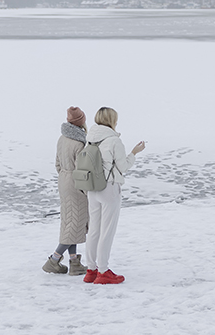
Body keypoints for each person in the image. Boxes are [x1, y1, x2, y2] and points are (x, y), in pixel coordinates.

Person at [83, 106, 146, 285]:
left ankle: (91, 270)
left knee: (94, 230)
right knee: (107, 231)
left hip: (92, 188)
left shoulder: (90, 139)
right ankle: (103, 271)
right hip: (109, 188)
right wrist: (134, 153)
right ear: (112, 120)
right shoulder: (113, 141)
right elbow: (123, 167)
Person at [42, 106, 90, 276]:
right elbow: (81, 170)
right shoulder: (80, 143)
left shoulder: (62, 139)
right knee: (75, 223)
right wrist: (86, 190)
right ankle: (53, 260)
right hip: (75, 184)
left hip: (63, 180)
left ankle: (74, 262)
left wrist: (64, 177)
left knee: (70, 222)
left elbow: (57, 164)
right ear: (81, 121)